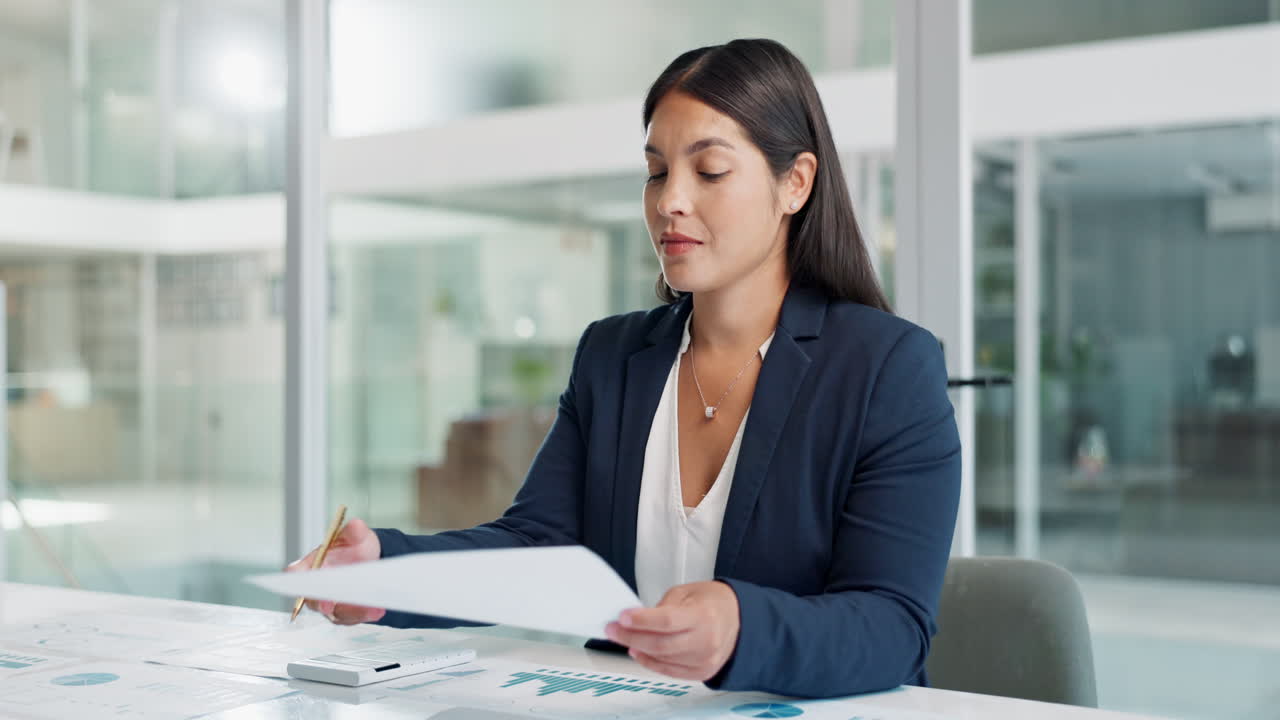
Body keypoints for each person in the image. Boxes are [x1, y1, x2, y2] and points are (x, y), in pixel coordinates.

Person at [287, 38, 960, 699]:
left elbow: (892, 624)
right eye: (657, 170)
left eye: (710, 171)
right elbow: (538, 547)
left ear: (796, 183)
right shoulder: (613, 358)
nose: (671, 200)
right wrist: (384, 573)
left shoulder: (887, 369)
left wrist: (741, 625)